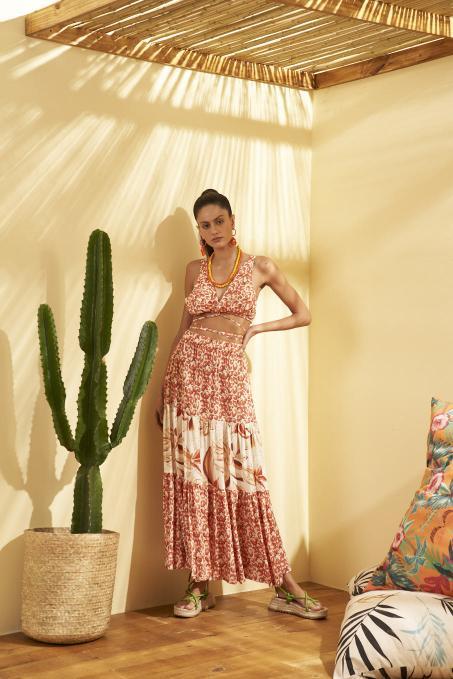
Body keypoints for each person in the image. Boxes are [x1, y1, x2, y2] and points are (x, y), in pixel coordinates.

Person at [155, 189, 327, 620]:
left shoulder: (259, 267)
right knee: (195, 476)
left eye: (219, 221)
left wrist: (256, 330)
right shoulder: (193, 270)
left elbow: (303, 313)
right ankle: (198, 585)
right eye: (205, 225)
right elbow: (183, 328)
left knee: (242, 474)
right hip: (187, 377)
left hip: (228, 376)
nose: (213, 230)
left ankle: (284, 586)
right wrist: (163, 387)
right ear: (199, 230)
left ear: (232, 221)